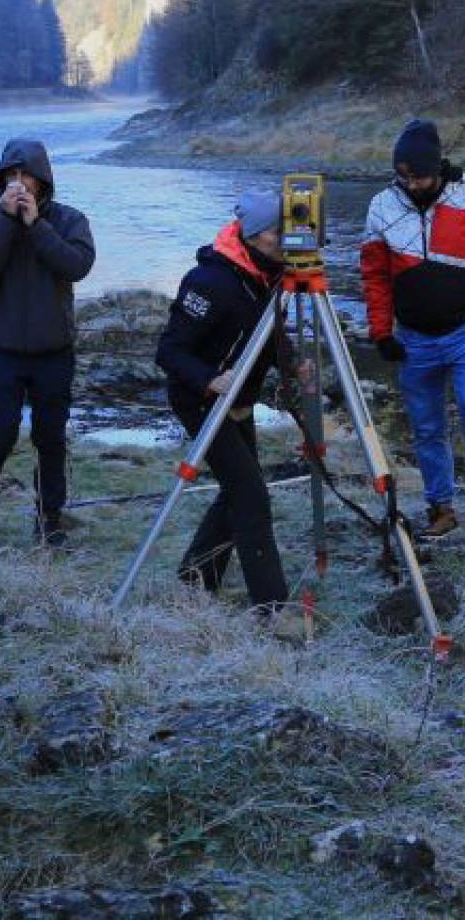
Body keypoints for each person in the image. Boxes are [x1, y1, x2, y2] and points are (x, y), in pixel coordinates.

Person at [361, 119, 465, 541]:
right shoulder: (381, 206)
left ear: (437, 169)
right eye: (403, 176)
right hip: (414, 337)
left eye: (419, 176)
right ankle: (441, 508)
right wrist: (381, 332)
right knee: (427, 427)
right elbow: (375, 276)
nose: (411, 184)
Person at [157, 190, 312, 616]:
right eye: (281, 235)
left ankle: (195, 580)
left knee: (237, 490)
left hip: (238, 401)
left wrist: (291, 364)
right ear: (256, 236)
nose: (288, 243)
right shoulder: (210, 282)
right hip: (201, 401)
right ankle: (272, 608)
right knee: (252, 497)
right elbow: (169, 352)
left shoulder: (267, 274)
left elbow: (268, 333)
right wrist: (210, 380)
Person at [0, 140, 95, 548]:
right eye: (10, 177)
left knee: (51, 438)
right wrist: (7, 221)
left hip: (54, 352)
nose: (19, 183)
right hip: (3, 353)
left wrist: (37, 226)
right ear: (1, 181)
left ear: (43, 180)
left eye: (26, 176)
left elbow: (77, 267)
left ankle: (50, 517)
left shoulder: (69, 219)